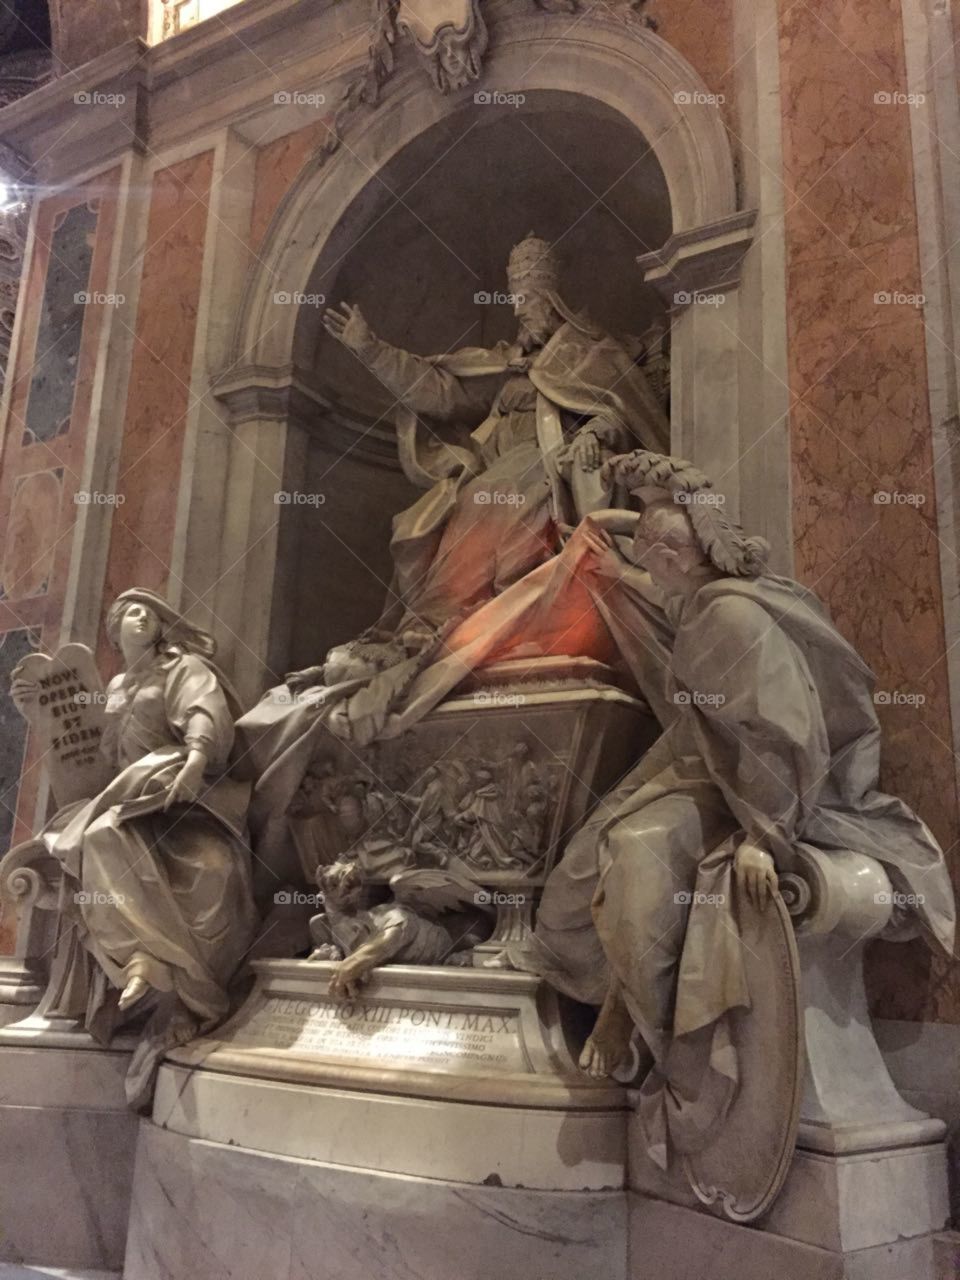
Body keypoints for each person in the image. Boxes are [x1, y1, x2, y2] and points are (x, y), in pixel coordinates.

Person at [505, 452, 956, 1168]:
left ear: (673, 557)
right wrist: (638, 498)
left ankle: (665, 1053)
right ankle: (624, 997)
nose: (644, 568)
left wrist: (765, 840)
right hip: (705, 760)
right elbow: (636, 526)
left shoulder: (727, 620)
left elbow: (784, 736)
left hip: (758, 791)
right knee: (576, 874)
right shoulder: (717, 593)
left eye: (653, 554)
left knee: (630, 864)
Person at [319, 232, 669, 646]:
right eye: (514, 300)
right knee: (436, 512)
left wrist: (593, 433)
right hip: (497, 467)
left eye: (528, 299)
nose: (518, 309)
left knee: (498, 491)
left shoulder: (590, 353)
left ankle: (461, 615)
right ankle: (437, 619)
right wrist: (372, 350)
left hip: (552, 465)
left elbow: (622, 413)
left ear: (553, 301)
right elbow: (440, 393)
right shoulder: (505, 364)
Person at [12, 588, 259, 1104]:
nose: (141, 616)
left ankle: (185, 986)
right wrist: (40, 716)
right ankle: (145, 961)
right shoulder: (118, 687)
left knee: (211, 869)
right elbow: (89, 762)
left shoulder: (181, 667)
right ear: (114, 631)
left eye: (149, 610)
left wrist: (193, 760)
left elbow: (204, 712)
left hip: (186, 799)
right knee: (98, 836)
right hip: (125, 802)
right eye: (129, 612)